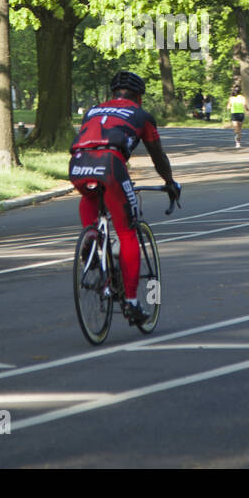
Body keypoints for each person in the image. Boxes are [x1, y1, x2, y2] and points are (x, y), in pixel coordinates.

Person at [69, 71, 180, 326]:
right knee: (127, 231)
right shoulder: (142, 115)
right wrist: (169, 182)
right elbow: (158, 157)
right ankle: (131, 301)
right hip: (110, 164)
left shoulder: (93, 110)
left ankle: (92, 240)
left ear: (112, 94)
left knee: (91, 193)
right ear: (139, 97)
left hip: (77, 164)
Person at [228, 84, 247, 148]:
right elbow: (244, 105)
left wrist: (229, 107)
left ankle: (237, 142)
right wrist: (247, 110)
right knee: (239, 129)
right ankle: (238, 142)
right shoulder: (242, 97)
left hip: (234, 114)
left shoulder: (231, 98)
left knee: (236, 129)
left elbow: (228, 106)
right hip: (241, 114)